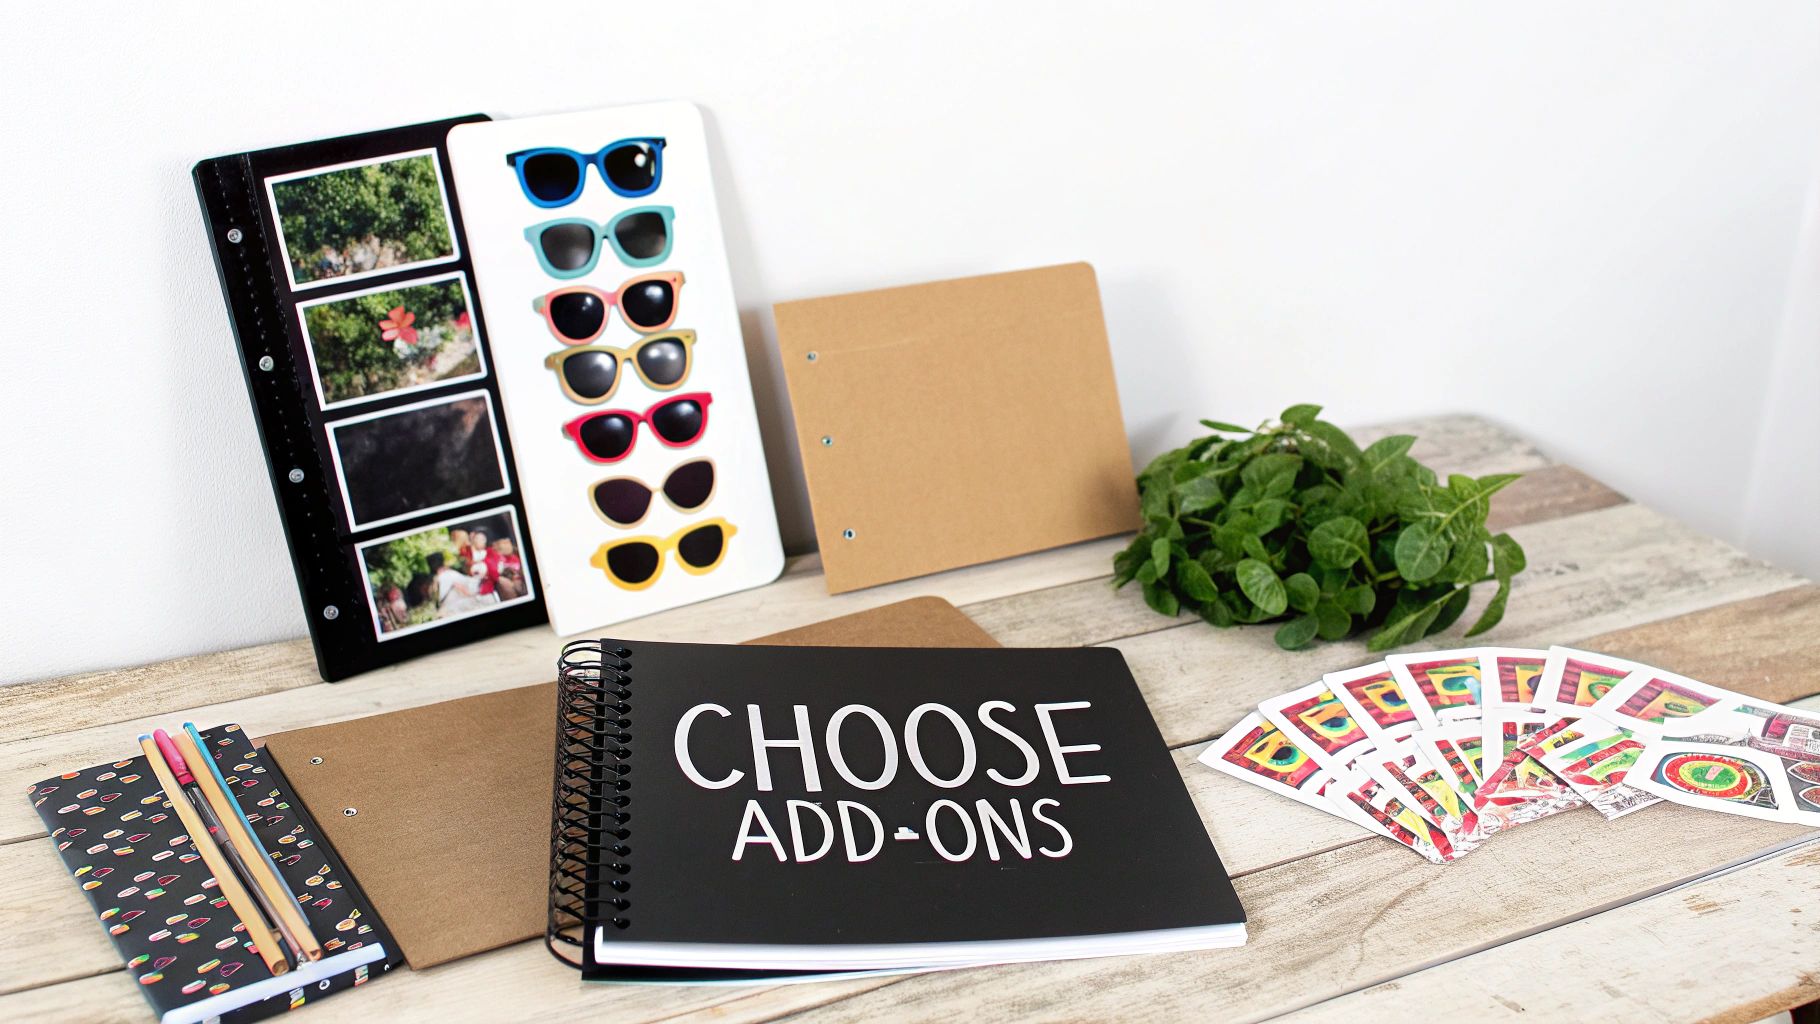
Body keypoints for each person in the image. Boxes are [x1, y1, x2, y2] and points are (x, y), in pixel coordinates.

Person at [428, 551, 484, 617]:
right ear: (443, 562)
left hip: (446, 614)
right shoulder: (449, 574)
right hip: (459, 611)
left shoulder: (433, 582)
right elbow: (471, 588)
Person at [466, 529, 500, 601]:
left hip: (486, 589)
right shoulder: (468, 552)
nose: (478, 541)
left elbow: (494, 571)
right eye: (476, 538)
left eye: (482, 539)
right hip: (470, 586)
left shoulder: (490, 552)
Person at [493, 537, 526, 601]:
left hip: (519, 581)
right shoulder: (497, 559)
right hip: (508, 581)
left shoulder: (517, 555)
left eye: (508, 542)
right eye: (504, 543)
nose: (508, 544)